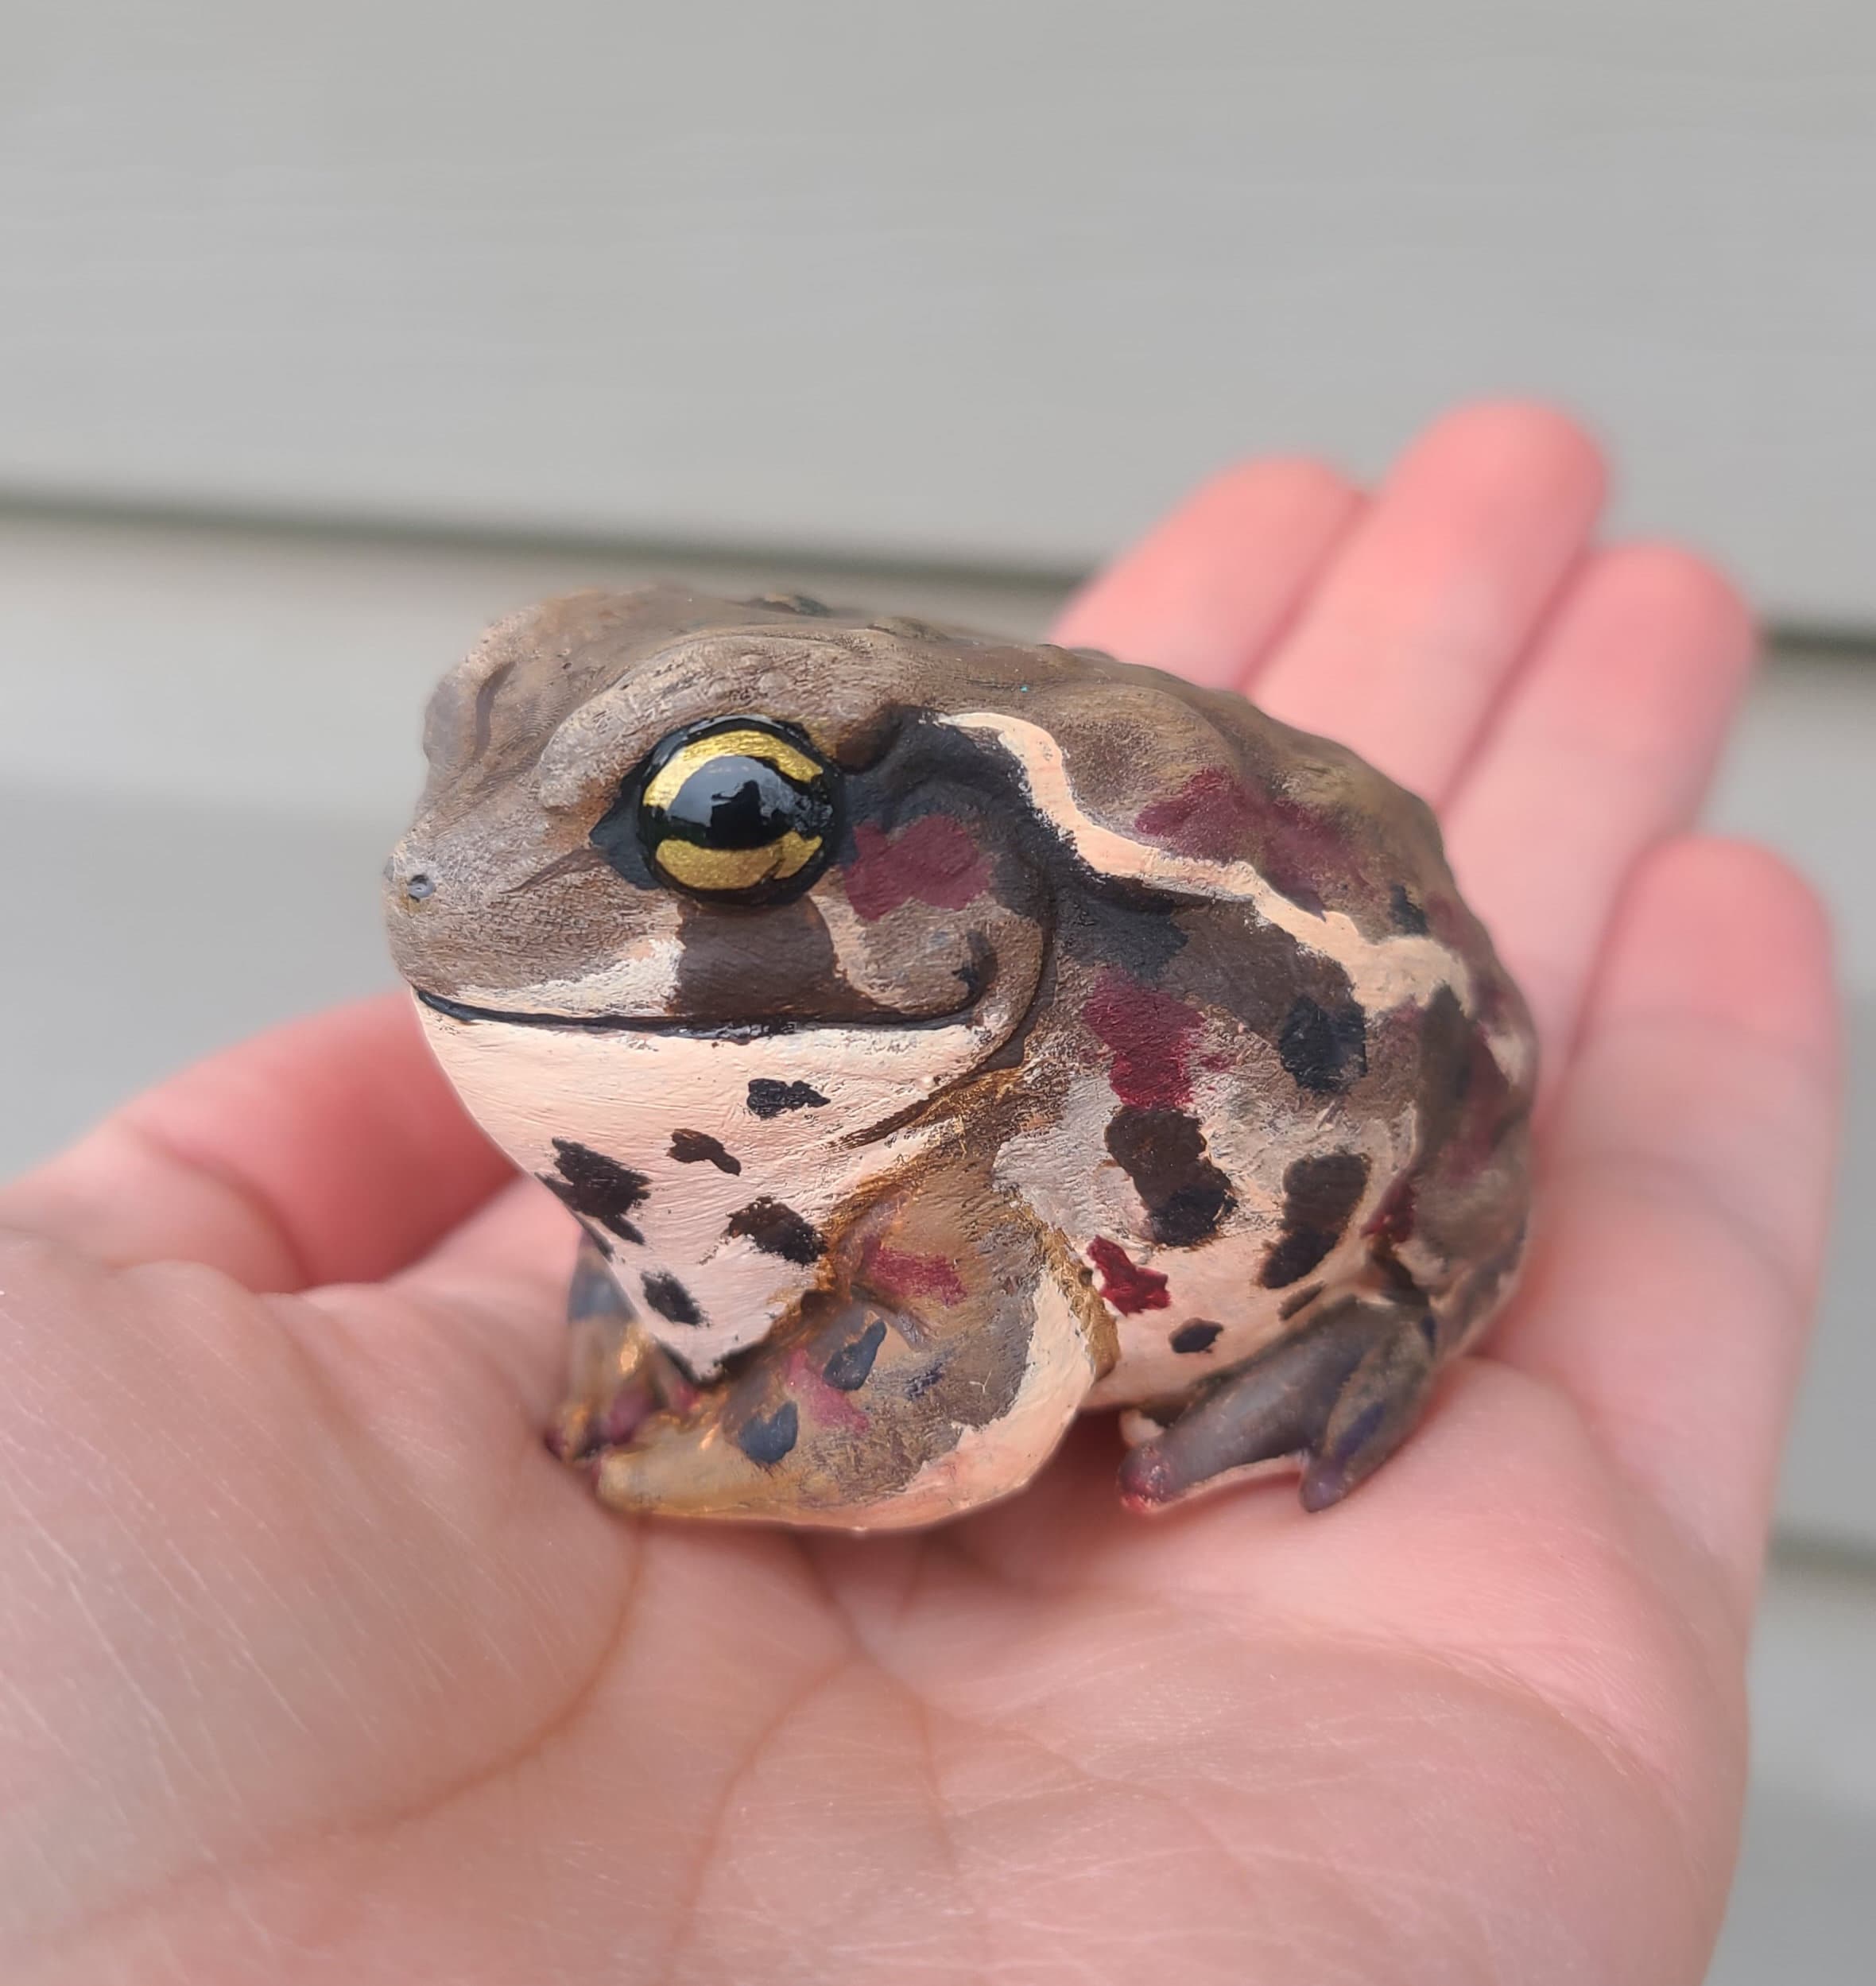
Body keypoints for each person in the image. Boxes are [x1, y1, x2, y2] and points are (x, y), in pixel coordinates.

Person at [0, 402, 1838, 1984]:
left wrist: (664, 1460)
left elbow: (942, 1396)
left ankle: (1405, 1306)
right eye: (461, 748)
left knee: (1447, 1168)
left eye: (720, 823)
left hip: (1386, 1046)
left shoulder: (960, 1132)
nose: (430, 872)